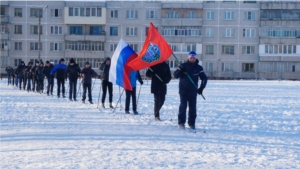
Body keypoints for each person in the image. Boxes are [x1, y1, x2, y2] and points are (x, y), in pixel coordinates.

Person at [173, 51, 208, 130]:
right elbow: (175, 75)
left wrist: (201, 88)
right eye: (191, 57)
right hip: (183, 90)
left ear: (195, 58)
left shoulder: (199, 68)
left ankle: (192, 123)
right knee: (183, 106)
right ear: (188, 58)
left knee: (192, 107)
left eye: (193, 58)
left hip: (193, 90)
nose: (192, 59)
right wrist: (181, 71)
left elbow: (204, 78)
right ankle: (181, 122)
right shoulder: (183, 66)